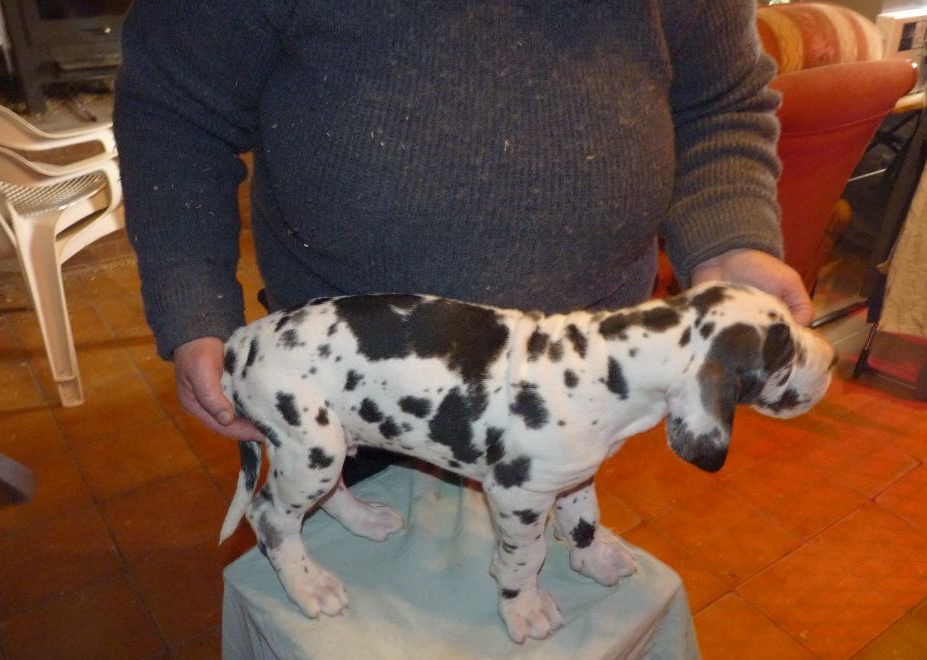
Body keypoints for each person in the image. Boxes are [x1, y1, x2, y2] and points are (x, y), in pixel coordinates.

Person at [114, 0, 814, 444]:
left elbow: (718, 100)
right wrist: (194, 305)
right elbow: (175, 115)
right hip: (352, 379)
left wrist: (727, 238)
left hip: (587, 381)